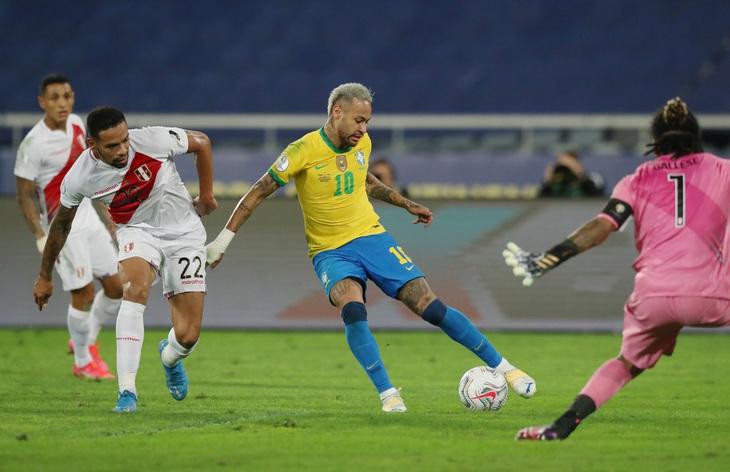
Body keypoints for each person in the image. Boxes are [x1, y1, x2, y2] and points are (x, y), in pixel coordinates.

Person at [206, 82, 535, 412]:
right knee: (353, 311)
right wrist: (222, 241)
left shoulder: (362, 143)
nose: (363, 129)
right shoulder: (301, 151)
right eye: (358, 120)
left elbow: (365, 180)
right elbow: (259, 191)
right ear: (337, 112)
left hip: (372, 238)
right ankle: (389, 394)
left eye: (367, 122)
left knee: (431, 307)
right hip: (330, 251)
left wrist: (406, 204)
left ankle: (508, 370)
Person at [504, 97, 730, 440]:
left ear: (656, 142)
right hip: (714, 293)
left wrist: (549, 258)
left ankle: (560, 426)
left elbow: (602, 227)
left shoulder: (636, 179)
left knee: (626, 364)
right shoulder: (723, 170)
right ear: (696, 137)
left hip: (654, 296)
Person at [33, 106, 218, 413]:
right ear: (92, 145)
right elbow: (61, 225)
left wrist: (207, 196)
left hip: (184, 234)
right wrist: (45, 274)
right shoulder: (80, 176)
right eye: (111, 146)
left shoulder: (152, 140)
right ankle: (127, 391)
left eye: (124, 141)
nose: (122, 150)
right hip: (137, 232)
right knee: (133, 288)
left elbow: (202, 142)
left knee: (188, 335)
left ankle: (169, 356)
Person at [15, 74, 122, 379]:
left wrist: (106, 207)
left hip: (87, 215)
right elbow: (24, 196)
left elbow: (92, 173)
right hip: (62, 226)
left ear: (72, 97)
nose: (62, 103)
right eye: (54, 98)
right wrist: (39, 235)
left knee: (117, 288)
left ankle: (84, 342)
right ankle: (83, 362)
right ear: (42, 102)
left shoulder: (77, 124)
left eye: (66, 96)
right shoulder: (32, 144)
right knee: (84, 294)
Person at [538, 150, 604, 198]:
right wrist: (548, 182)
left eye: (568, 165)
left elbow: (597, 198)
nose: (565, 169)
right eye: (561, 165)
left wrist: (580, 175)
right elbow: (542, 203)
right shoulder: (556, 184)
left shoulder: (592, 180)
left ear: (579, 165)